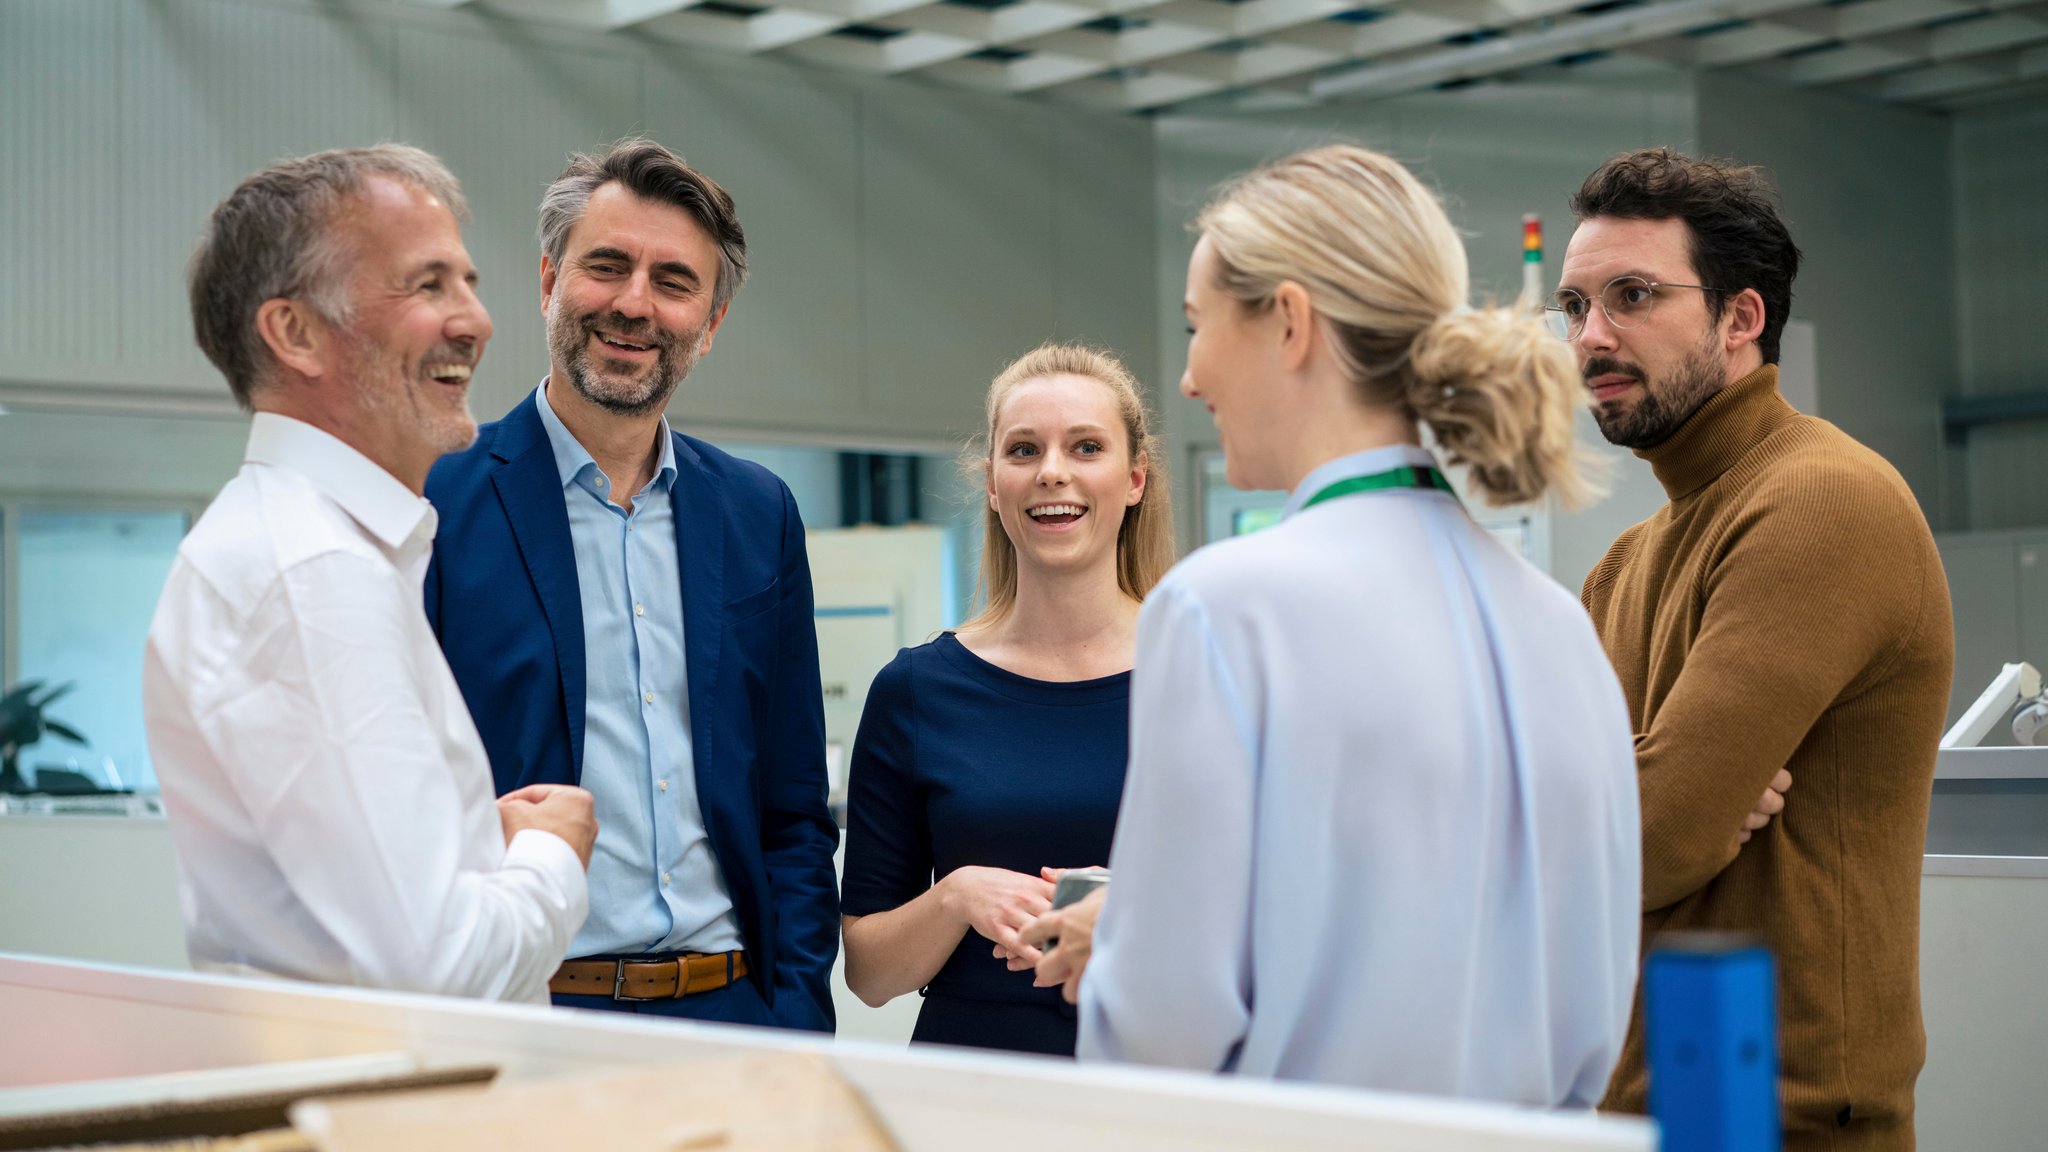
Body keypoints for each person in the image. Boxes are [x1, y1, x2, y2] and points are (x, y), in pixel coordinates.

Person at [1023, 144, 1641, 1107]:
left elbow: (1163, 1032)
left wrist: (1126, 947)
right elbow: (1589, 1015)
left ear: (1290, 323)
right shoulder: (1559, 626)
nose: (1187, 379)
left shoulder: (1226, 609)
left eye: (1199, 327)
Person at [1560, 148, 1952, 1149]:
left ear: (1739, 319)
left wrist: (1633, 795)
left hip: (1790, 1119)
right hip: (1633, 1108)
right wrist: (1604, 796)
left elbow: (1649, 833)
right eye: (1573, 306)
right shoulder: (1623, 561)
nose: (1590, 337)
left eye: (1632, 296)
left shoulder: (1821, 500)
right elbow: (1585, 819)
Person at [144, 145, 595, 1003]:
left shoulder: (316, 550)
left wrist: (473, 843)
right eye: (427, 285)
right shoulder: (316, 577)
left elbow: (358, 917)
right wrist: (553, 852)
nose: (476, 320)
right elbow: (438, 970)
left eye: (466, 281)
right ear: (295, 333)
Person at [423, 138, 838, 1031]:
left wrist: (796, 1009)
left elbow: (793, 807)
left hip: (733, 1011)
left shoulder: (758, 513)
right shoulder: (437, 500)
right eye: (606, 267)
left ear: (712, 320)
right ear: (548, 282)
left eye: (674, 282)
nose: (634, 305)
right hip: (528, 1011)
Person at [839, 343, 1172, 1056]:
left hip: (1161, 1076)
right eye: (1024, 450)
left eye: (1086, 447)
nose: (1053, 471)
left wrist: (1144, 911)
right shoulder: (917, 691)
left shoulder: (1203, 673)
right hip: (974, 1082)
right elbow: (868, 972)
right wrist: (956, 895)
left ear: (1135, 477)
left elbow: (1284, 918)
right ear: (992, 483)